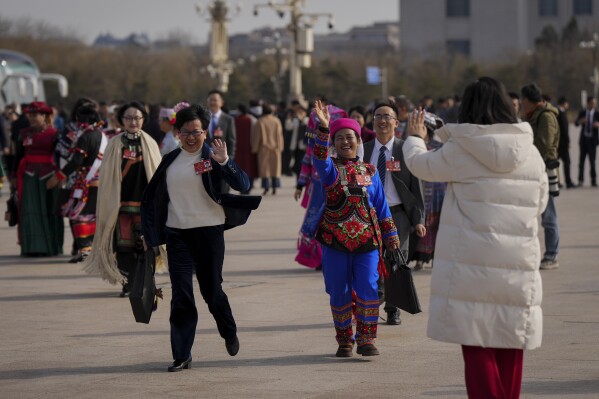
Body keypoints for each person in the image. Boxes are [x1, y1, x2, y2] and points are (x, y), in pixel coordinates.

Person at [404, 77, 548, 399]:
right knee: (511, 343)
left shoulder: (460, 151)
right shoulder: (530, 152)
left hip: (470, 265)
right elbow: (540, 204)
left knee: (476, 343)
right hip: (516, 264)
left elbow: (419, 164)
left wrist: (415, 137)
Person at [141, 103, 259, 372]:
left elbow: (243, 185)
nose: (191, 137)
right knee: (181, 294)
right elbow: (153, 200)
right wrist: (149, 233)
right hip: (177, 234)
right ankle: (182, 354)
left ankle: (228, 330)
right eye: (186, 132)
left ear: (206, 132)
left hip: (209, 232)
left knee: (211, 291)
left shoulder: (213, 158)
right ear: (178, 133)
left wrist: (225, 162)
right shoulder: (170, 160)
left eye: (197, 132)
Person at [311, 101, 400, 358]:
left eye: (350, 137)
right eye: (339, 138)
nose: (345, 142)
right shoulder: (329, 170)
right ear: (334, 143)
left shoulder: (370, 171)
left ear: (358, 141)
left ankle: (366, 339)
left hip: (368, 242)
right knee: (338, 290)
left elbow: (382, 206)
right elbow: (319, 157)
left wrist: (391, 236)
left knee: (369, 288)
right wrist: (324, 128)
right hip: (334, 242)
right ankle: (344, 340)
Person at [83, 101, 165, 296]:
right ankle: (128, 284)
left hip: (146, 206)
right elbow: (108, 178)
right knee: (124, 248)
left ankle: (146, 282)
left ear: (143, 120)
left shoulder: (150, 143)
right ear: (122, 120)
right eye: (129, 118)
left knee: (147, 246)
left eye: (137, 117)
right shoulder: (114, 144)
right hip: (121, 205)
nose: (133, 121)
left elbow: (157, 174)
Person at [363, 101, 425, 326]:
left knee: (396, 261)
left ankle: (393, 309)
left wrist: (418, 218)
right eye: (378, 116)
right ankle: (373, 301)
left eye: (387, 116)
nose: (382, 120)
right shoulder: (364, 149)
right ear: (373, 121)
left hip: (397, 212)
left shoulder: (404, 149)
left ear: (396, 122)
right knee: (371, 259)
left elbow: (416, 187)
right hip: (369, 214)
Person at [46, 104, 107, 263]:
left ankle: (85, 249)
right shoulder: (102, 136)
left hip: (84, 182)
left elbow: (76, 161)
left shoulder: (85, 137)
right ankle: (91, 249)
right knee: (92, 216)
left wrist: (58, 176)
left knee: (78, 216)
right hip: (100, 181)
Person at [14, 101, 64, 256]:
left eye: (35, 115)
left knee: (50, 210)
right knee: (29, 210)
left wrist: (59, 177)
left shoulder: (55, 134)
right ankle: (31, 247)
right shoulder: (23, 133)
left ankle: (51, 247)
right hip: (28, 176)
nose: (32, 118)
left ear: (44, 116)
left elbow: (60, 157)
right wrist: (13, 177)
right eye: (30, 115)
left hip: (49, 177)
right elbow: (18, 156)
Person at [521, 83, 560, 270]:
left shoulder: (546, 117)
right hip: (533, 168)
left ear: (528, 101)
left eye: (522, 101)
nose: (521, 104)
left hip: (544, 169)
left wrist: (525, 152)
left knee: (548, 214)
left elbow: (544, 144)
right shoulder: (532, 115)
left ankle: (552, 254)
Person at [412, 113, 447, 271]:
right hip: (422, 193)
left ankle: (433, 259)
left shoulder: (438, 148)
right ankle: (420, 259)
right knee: (422, 226)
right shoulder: (415, 145)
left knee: (435, 227)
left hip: (436, 193)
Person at [251, 102, 284, 195]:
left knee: (265, 169)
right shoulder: (276, 120)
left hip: (263, 148)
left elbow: (257, 136)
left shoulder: (260, 121)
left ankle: (266, 187)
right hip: (275, 148)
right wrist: (280, 147)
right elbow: (280, 135)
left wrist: (255, 148)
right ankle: (275, 187)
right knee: (275, 168)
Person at [575, 96, 599, 187]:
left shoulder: (597, 113)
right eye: (592, 103)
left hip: (592, 141)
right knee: (581, 161)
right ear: (588, 103)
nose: (594, 105)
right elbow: (576, 123)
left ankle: (593, 180)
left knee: (592, 162)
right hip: (584, 140)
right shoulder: (583, 112)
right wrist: (581, 121)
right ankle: (580, 180)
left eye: (595, 103)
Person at [556, 96, 575, 189]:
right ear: (564, 103)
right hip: (562, 143)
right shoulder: (561, 113)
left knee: (555, 162)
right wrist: (567, 141)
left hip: (558, 143)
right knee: (567, 162)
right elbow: (564, 129)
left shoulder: (557, 112)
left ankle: (558, 181)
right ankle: (568, 181)